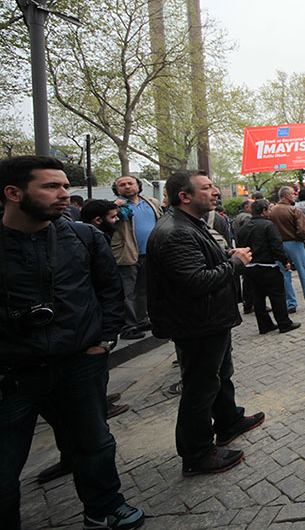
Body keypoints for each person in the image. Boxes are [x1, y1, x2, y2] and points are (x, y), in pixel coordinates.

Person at [0, 156, 145, 529]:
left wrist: (104, 341)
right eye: (52, 186)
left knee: (94, 444)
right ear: (13, 193)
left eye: (65, 185)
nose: (65, 194)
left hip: (79, 364)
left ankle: (104, 508)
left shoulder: (84, 236)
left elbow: (110, 291)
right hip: (13, 375)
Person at [147, 170, 265, 477]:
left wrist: (227, 255)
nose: (215, 192)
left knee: (220, 374)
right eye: (207, 188)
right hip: (197, 323)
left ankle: (229, 421)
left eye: (214, 186)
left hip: (211, 319)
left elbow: (198, 264)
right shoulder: (175, 231)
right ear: (184, 196)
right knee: (200, 386)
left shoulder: (190, 225)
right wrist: (236, 263)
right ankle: (197, 452)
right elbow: (196, 281)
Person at [234, 199, 300, 335]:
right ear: (264, 211)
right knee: (277, 296)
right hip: (268, 267)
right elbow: (276, 246)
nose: (270, 212)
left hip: (250, 268)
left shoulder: (244, 228)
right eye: (269, 209)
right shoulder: (268, 226)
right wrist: (285, 261)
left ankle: (264, 325)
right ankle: (284, 323)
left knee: (258, 298)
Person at [110, 175, 163, 341]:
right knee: (127, 292)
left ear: (138, 186)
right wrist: (113, 207)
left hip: (150, 253)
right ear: (117, 189)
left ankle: (142, 319)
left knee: (144, 289)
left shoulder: (151, 202)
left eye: (130, 183)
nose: (127, 186)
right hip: (126, 254)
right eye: (122, 185)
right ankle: (128, 326)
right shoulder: (115, 206)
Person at [267, 187, 305, 311]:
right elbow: (302, 230)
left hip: (279, 245)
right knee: (304, 271)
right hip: (295, 243)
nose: (294, 196)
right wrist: (302, 238)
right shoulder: (294, 210)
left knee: (284, 274)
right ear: (287, 196)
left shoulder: (272, 212)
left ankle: (291, 303)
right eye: (292, 194)